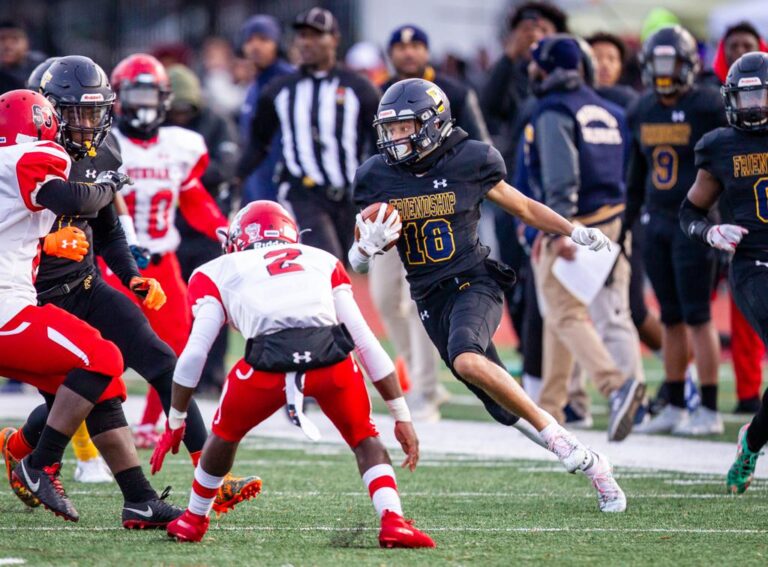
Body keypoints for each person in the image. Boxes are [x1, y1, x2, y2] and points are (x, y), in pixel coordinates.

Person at [350, 78, 626, 513]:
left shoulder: (470, 159)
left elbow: (524, 207)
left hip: (474, 280)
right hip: (429, 298)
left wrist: (572, 229)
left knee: (466, 358)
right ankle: (590, 460)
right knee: (501, 407)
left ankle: (562, 442)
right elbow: (359, 260)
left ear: (432, 124)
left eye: (405, 127)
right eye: (391, 129)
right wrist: (362, 249)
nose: (396, 138)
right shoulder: (377, 177)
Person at [152, 201, 434, 548]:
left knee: (224, 435)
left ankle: (194, 520)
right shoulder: (322, 259)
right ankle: (393, 520)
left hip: (264, 367)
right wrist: (401, 416)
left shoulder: (215, 270)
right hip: (330, 362)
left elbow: (196, 352)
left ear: (238, 238)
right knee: (364, 437)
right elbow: (364, 340)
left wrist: (177, 418)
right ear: (291, 234)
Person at [0, 89, 182, 525]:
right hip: (8, 313)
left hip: (13, 305)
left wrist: (47, 240)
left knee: (99, 386)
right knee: (104, 357)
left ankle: (140, 499)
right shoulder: (27, 157)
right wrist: (107, 185)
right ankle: (39, 463)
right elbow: (72, 200)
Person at [100, 54, 229, 446]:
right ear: (118, 98)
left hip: (163, 261)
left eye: (150, 94)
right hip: (118, 261)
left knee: (175, 345)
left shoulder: (182, 145)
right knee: (106, 349)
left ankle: (148, 423)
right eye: (135, 94)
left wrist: (222, 228)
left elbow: (193, 197)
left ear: (165, 97)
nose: (143, 103)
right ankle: (98, 425)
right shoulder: (108, 143)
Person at [520, 36, 645, 440]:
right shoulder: (609, 108)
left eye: (537, 64)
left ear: (550, 67)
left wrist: (560, 229)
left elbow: (561, 175)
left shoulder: (554, 109)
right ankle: (552, 408)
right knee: (567, 314)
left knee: (564, 312)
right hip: (614, 221)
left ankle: (615, 385)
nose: (532, 70)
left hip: (577, 224)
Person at [624, 26, 728, 436]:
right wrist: (627, 224)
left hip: (695, 223)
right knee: (669, 316)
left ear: (689, 65)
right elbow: (636, 174)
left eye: (672, 63)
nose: (665, 73)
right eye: (659, 64)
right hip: (655, 220)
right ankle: (675, 402)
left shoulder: (707, 104)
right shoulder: (642, 108)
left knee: (698, 315)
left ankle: (708, 407)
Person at [678, 51, 768, 492]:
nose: (752, 107)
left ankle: (752, 439)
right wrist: (708, 232)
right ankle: (752, 442)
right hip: (754, 263)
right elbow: (688, 210)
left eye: (761, 97)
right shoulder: (720, 146)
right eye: (745, 99)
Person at [236, 7, 381, 262]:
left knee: (348, 265)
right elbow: (259, 144)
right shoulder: (279, 90)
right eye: (302, 35)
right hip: (301, 192)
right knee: (327, 261)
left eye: (316, 35)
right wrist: (233, 177)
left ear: (334, 39)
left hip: (348, 194)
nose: (306, 42)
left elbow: (379, 143)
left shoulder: (359, 88)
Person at [167, 63, 240, 393]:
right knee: (173, 306)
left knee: (213, 304)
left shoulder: (216, 123)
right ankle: (175, 369)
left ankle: (212, 373)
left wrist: (180, 173)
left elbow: (224, 168)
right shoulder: (156, 126)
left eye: (186, 108)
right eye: (174, 109)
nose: (180, 115)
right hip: (170, 228)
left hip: (209, 227)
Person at [709, 22, 768, 414]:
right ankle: (747, 395)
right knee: (742, 317)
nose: (739, 50)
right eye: (733, 45)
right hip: (737, 224)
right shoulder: (709, 103)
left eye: (747, 45)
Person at [237, 15, 294, 205]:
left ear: (276, 43)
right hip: (257, 181)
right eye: (249, 40)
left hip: (284, 182)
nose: (255, 46)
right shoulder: (253, 86)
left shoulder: (289, 81)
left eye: (263, 39)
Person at [0, 20, 46, 93]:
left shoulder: (42, 70)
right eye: (2, 39)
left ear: (27, 43)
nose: (7, 45)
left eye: (15, 39)